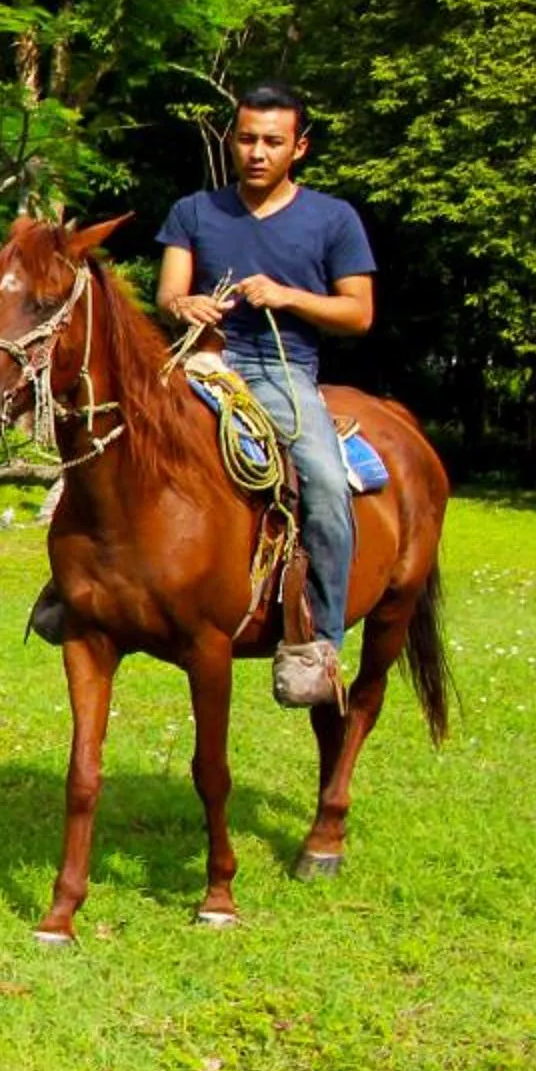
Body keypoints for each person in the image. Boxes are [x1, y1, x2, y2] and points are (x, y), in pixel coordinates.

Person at [157, 83, 377, 709]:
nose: (257, 152)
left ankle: (320, 644)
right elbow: (168, 293)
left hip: (281, 370)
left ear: (298, 148)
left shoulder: (332, 219)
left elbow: (359, 313)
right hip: (201, 361)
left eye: (273, 142)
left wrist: (288, 297)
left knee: (326, 483)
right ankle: (74, 589)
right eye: (247, 139)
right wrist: (185, 305)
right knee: (112, 434)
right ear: (232, 141)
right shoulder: (194, 211)